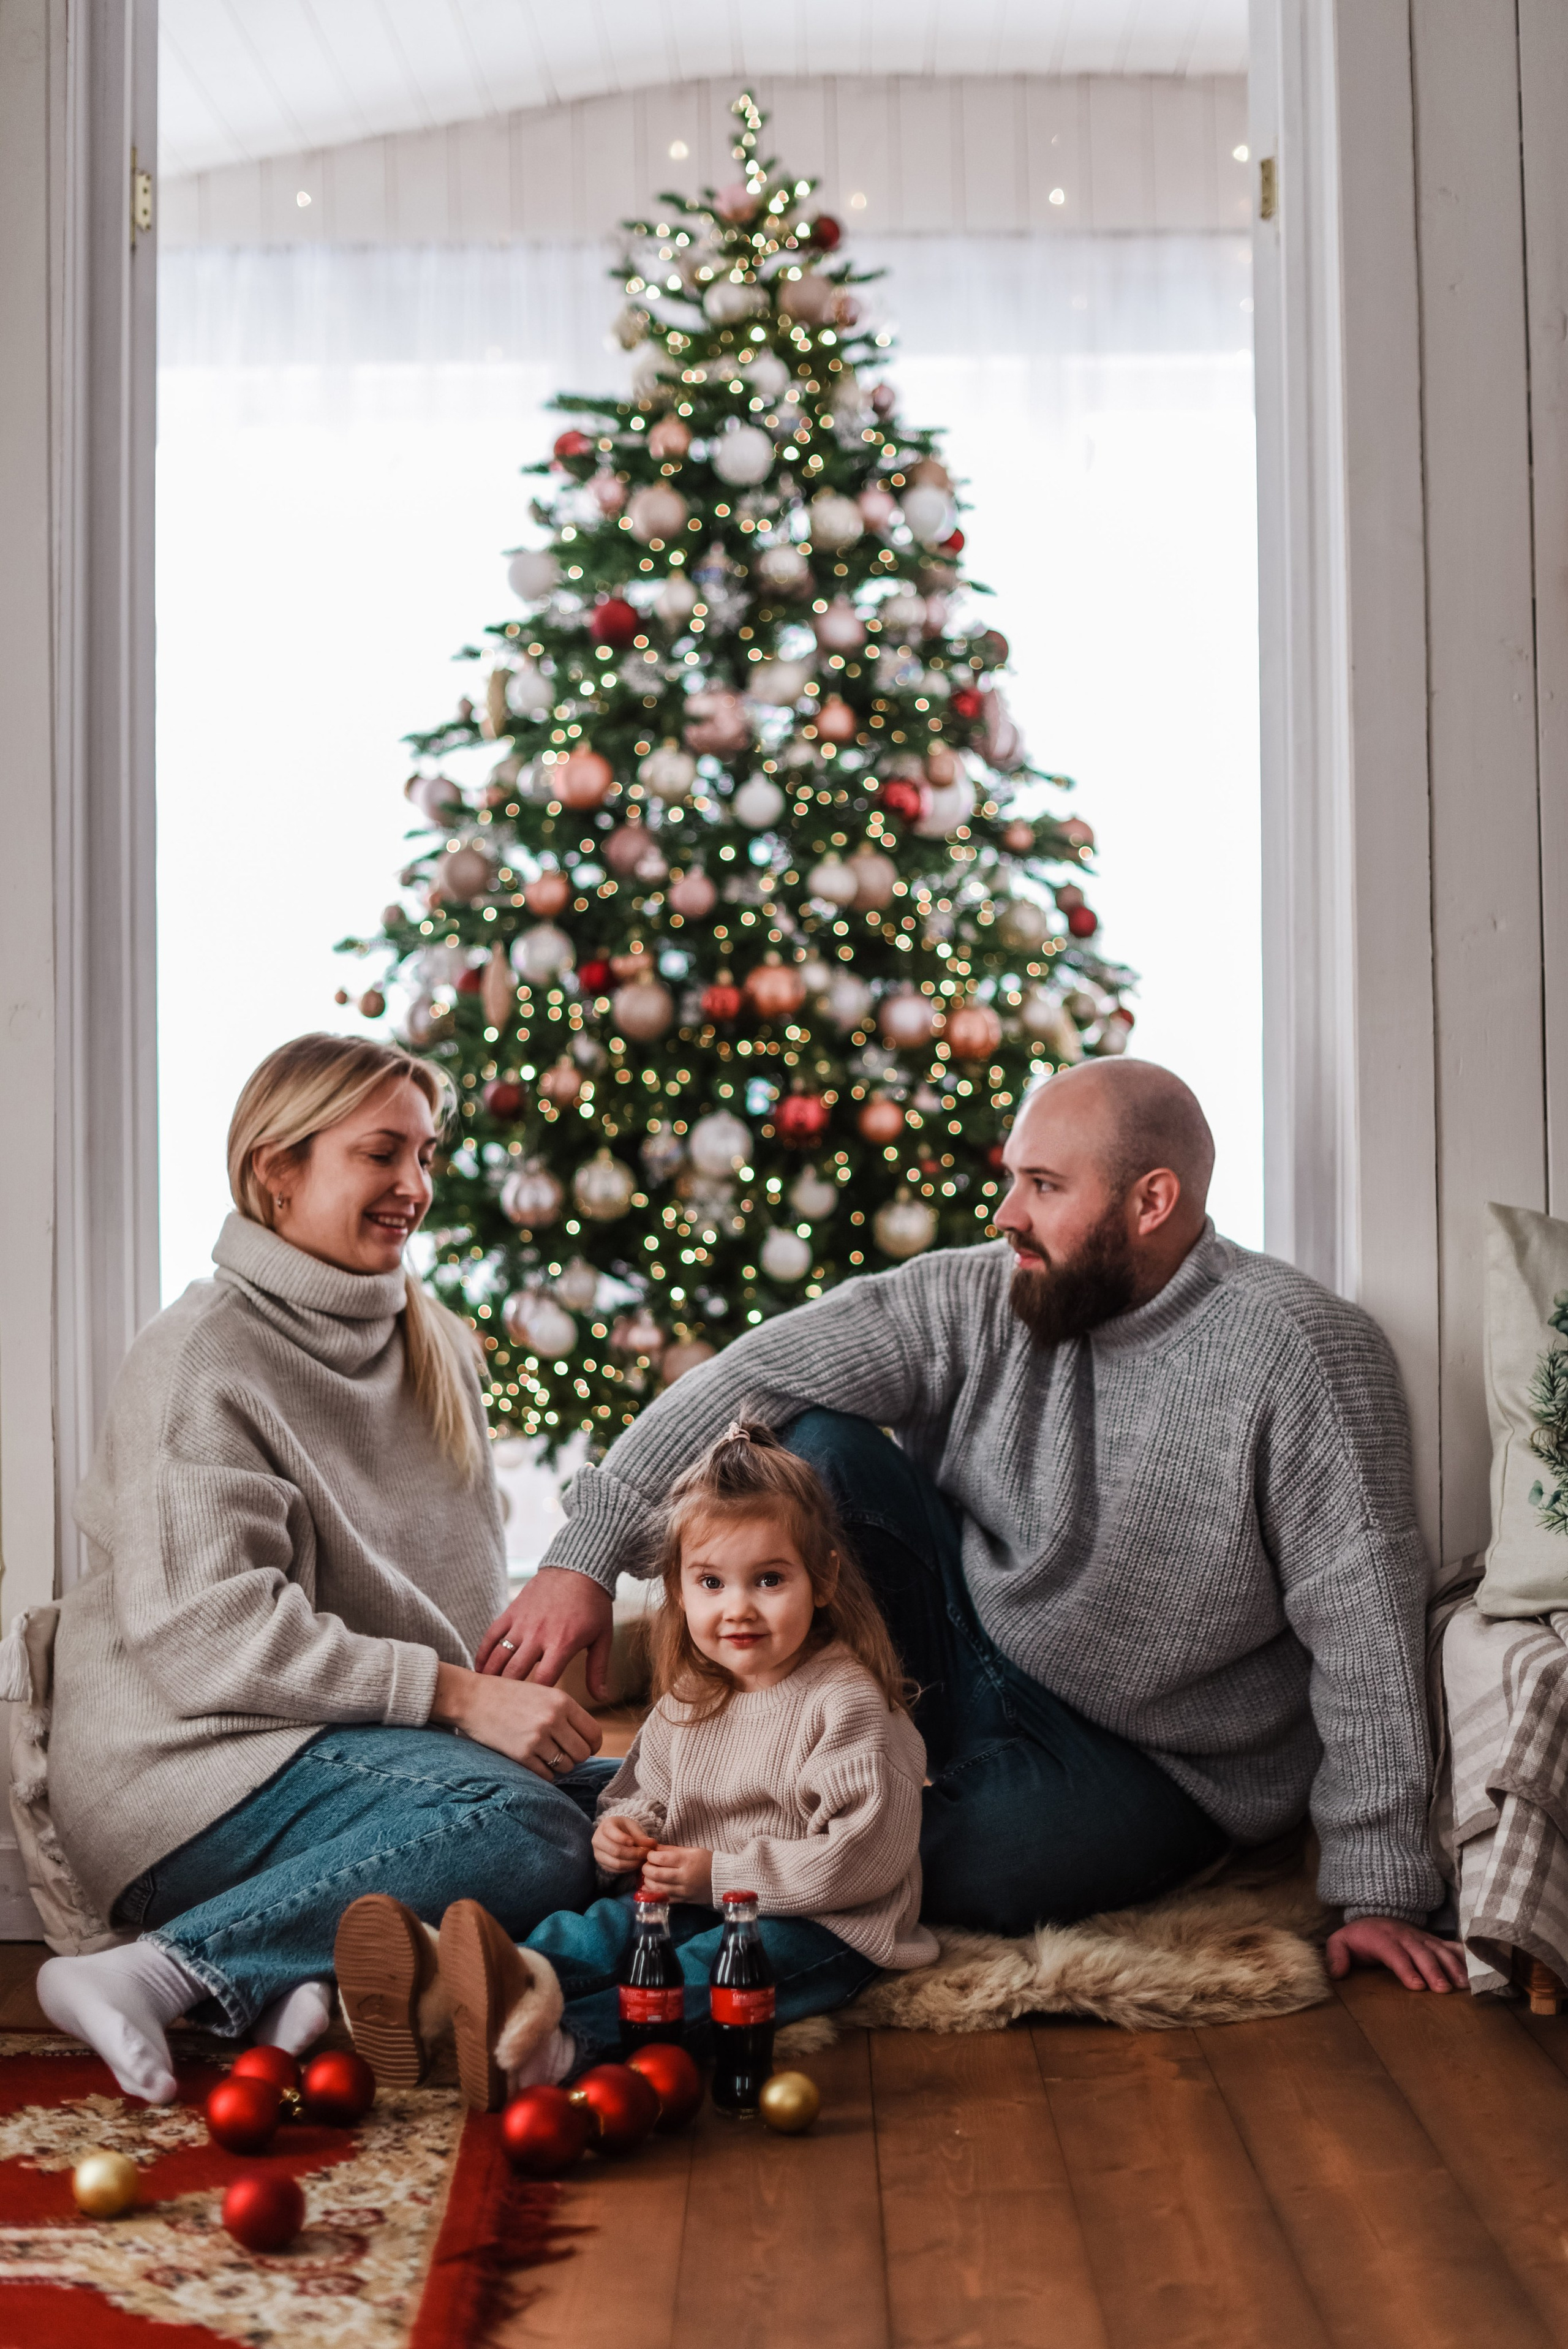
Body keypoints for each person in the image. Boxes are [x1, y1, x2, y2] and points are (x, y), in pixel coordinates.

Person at [481, 1058, 1466, 1995]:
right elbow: (753, 1372)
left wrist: (1379, 1885)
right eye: (1011, 1179)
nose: (1007, 1214)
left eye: (1043, 1184)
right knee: (818, 1435)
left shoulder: (1301, 1353)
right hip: (961, 1646)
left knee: (970, 1865)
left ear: (1151, 1202)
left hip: (1153, 1757)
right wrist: (587, 1557)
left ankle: (664, 1892)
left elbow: (1366, 1620)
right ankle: (699, 1825)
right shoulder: (979, 1289)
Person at [34, 1035, 608, 2105]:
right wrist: (454, 1697)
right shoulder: (202, 1358)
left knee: (648, 1807)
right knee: (528, 1827)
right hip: (190, 1772)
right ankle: (160, 1970)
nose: (416, 1187)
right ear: (278, 1173)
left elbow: (452, 1590)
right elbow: (210, 1633)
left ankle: (335, 1990)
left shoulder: (430, 1344)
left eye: (428, 1156)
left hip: (352, 1751)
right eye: (381, 1154)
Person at [334, 1422, 937, 2106]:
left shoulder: (847, 1702)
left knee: (703, 1972)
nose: (737, 1608)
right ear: (679, 1590)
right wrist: (621, 1832)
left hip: (825, 1920)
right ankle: (466, 1987)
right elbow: (641, 1790)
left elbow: (864, 1857)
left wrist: (722, 1875)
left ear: (823, 1576)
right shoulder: (692, 1694)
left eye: (769, 1579)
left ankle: (563, 2048)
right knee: (608, 1927)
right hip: (695, 1889)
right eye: (711, 1581)